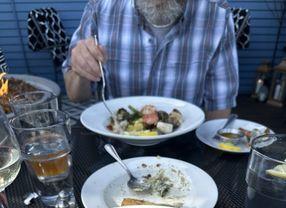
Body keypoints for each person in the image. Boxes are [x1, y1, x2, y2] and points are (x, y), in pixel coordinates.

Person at [63, 0, 239, 120]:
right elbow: (76, 96)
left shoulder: (217, 13)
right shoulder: (101, 6)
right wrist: (80, 72)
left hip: (185, 148)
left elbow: (219, 105)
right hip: (114, 142)